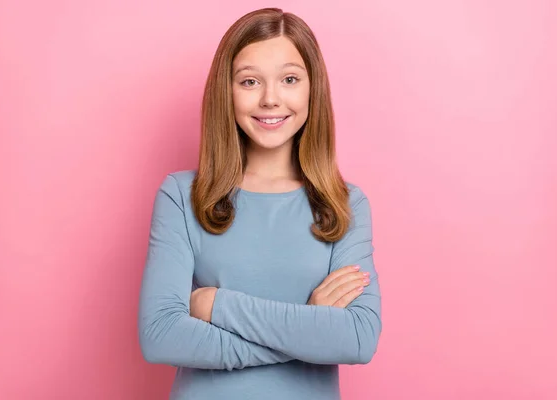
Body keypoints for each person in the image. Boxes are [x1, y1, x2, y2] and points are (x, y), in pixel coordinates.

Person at [138, 7, 382, 400]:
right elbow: (161, 336)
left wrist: (217, 305)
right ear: (227, 91)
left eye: (289, 79)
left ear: (311, 88)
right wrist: (310, 327)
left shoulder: (344, 204)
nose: (271, 99)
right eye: (250, 81)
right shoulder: (182, 197)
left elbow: (357, 339)